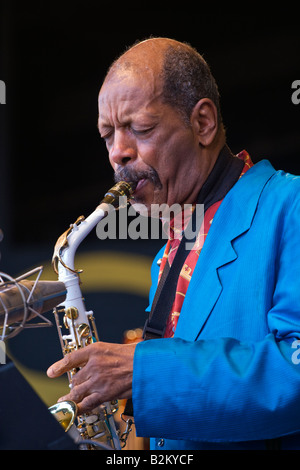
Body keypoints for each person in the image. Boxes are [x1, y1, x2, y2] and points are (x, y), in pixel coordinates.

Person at [47, 37, 300, 450]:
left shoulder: (291, 205)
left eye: (139, 128)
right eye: (107, 135)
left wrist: (142, 372)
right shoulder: (169, 253)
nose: (118, 154)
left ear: (202, 123)